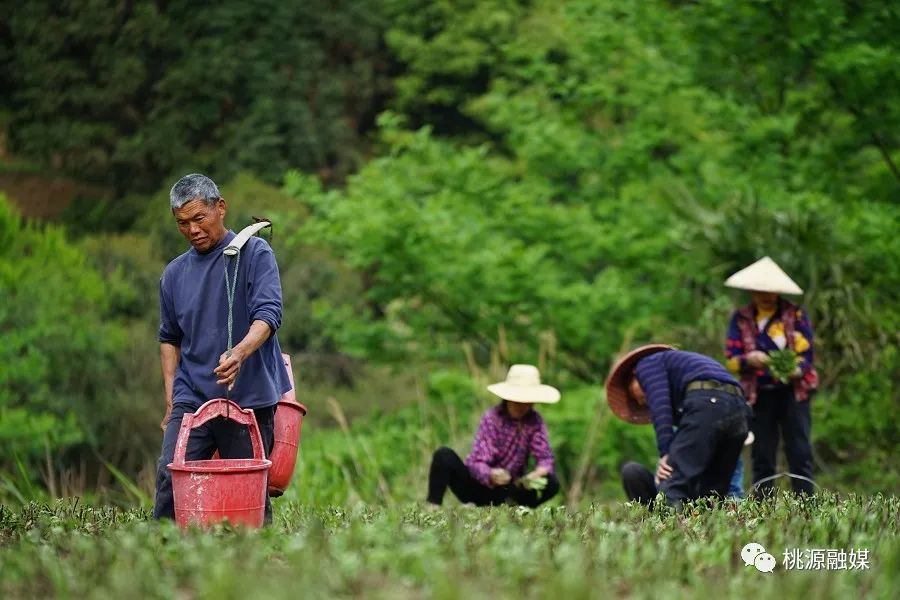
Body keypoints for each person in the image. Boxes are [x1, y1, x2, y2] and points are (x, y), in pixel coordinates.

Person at [152, 173, 292, 522]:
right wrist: (171, 396)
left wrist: (240, 352)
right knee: (170, 476)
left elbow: (269, 315)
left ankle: (257, 552)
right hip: (192, 397)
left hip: (248, 397)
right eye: (182, 223)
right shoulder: (174, 274)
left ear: (221, 208)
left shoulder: (255, 253)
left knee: (247, 495)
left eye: (199, 218)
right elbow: (169, 337)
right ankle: (162, 550)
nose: (192, 229)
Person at [607, 345, 751, 508]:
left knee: (673, 485)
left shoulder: (646, 365)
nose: (643, 402)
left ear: (633, 375)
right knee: (713, 496)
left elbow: (661, 409)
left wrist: (665, 453)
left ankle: (670, 522)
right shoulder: (685, 378)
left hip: (709, 403)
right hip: (740, 409)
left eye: (638, 397)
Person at [724, 256, 818, 496]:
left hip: (794, 393)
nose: (765, 295)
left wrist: (794, 369)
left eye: (770, 290)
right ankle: (762, 505)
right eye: (760, 290)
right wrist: (749, 359)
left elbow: (807, 355)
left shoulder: (795, 315)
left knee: (799, 451)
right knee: (762, 454)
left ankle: (806, 504)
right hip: (759, 394)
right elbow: (731, 359)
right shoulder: (741, 318)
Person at [427, 364, 561, 508]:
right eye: (517, 401)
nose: (521, 406)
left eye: (526, 402)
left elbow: (545, 458)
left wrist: (538, 473)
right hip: (477, 485)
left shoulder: (535, 421)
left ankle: (521, 509)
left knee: (551, 482)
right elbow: (476, 462)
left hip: (509, 490)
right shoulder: (492, 418)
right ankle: (433, 508)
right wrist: (490, 474)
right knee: (443, 455)